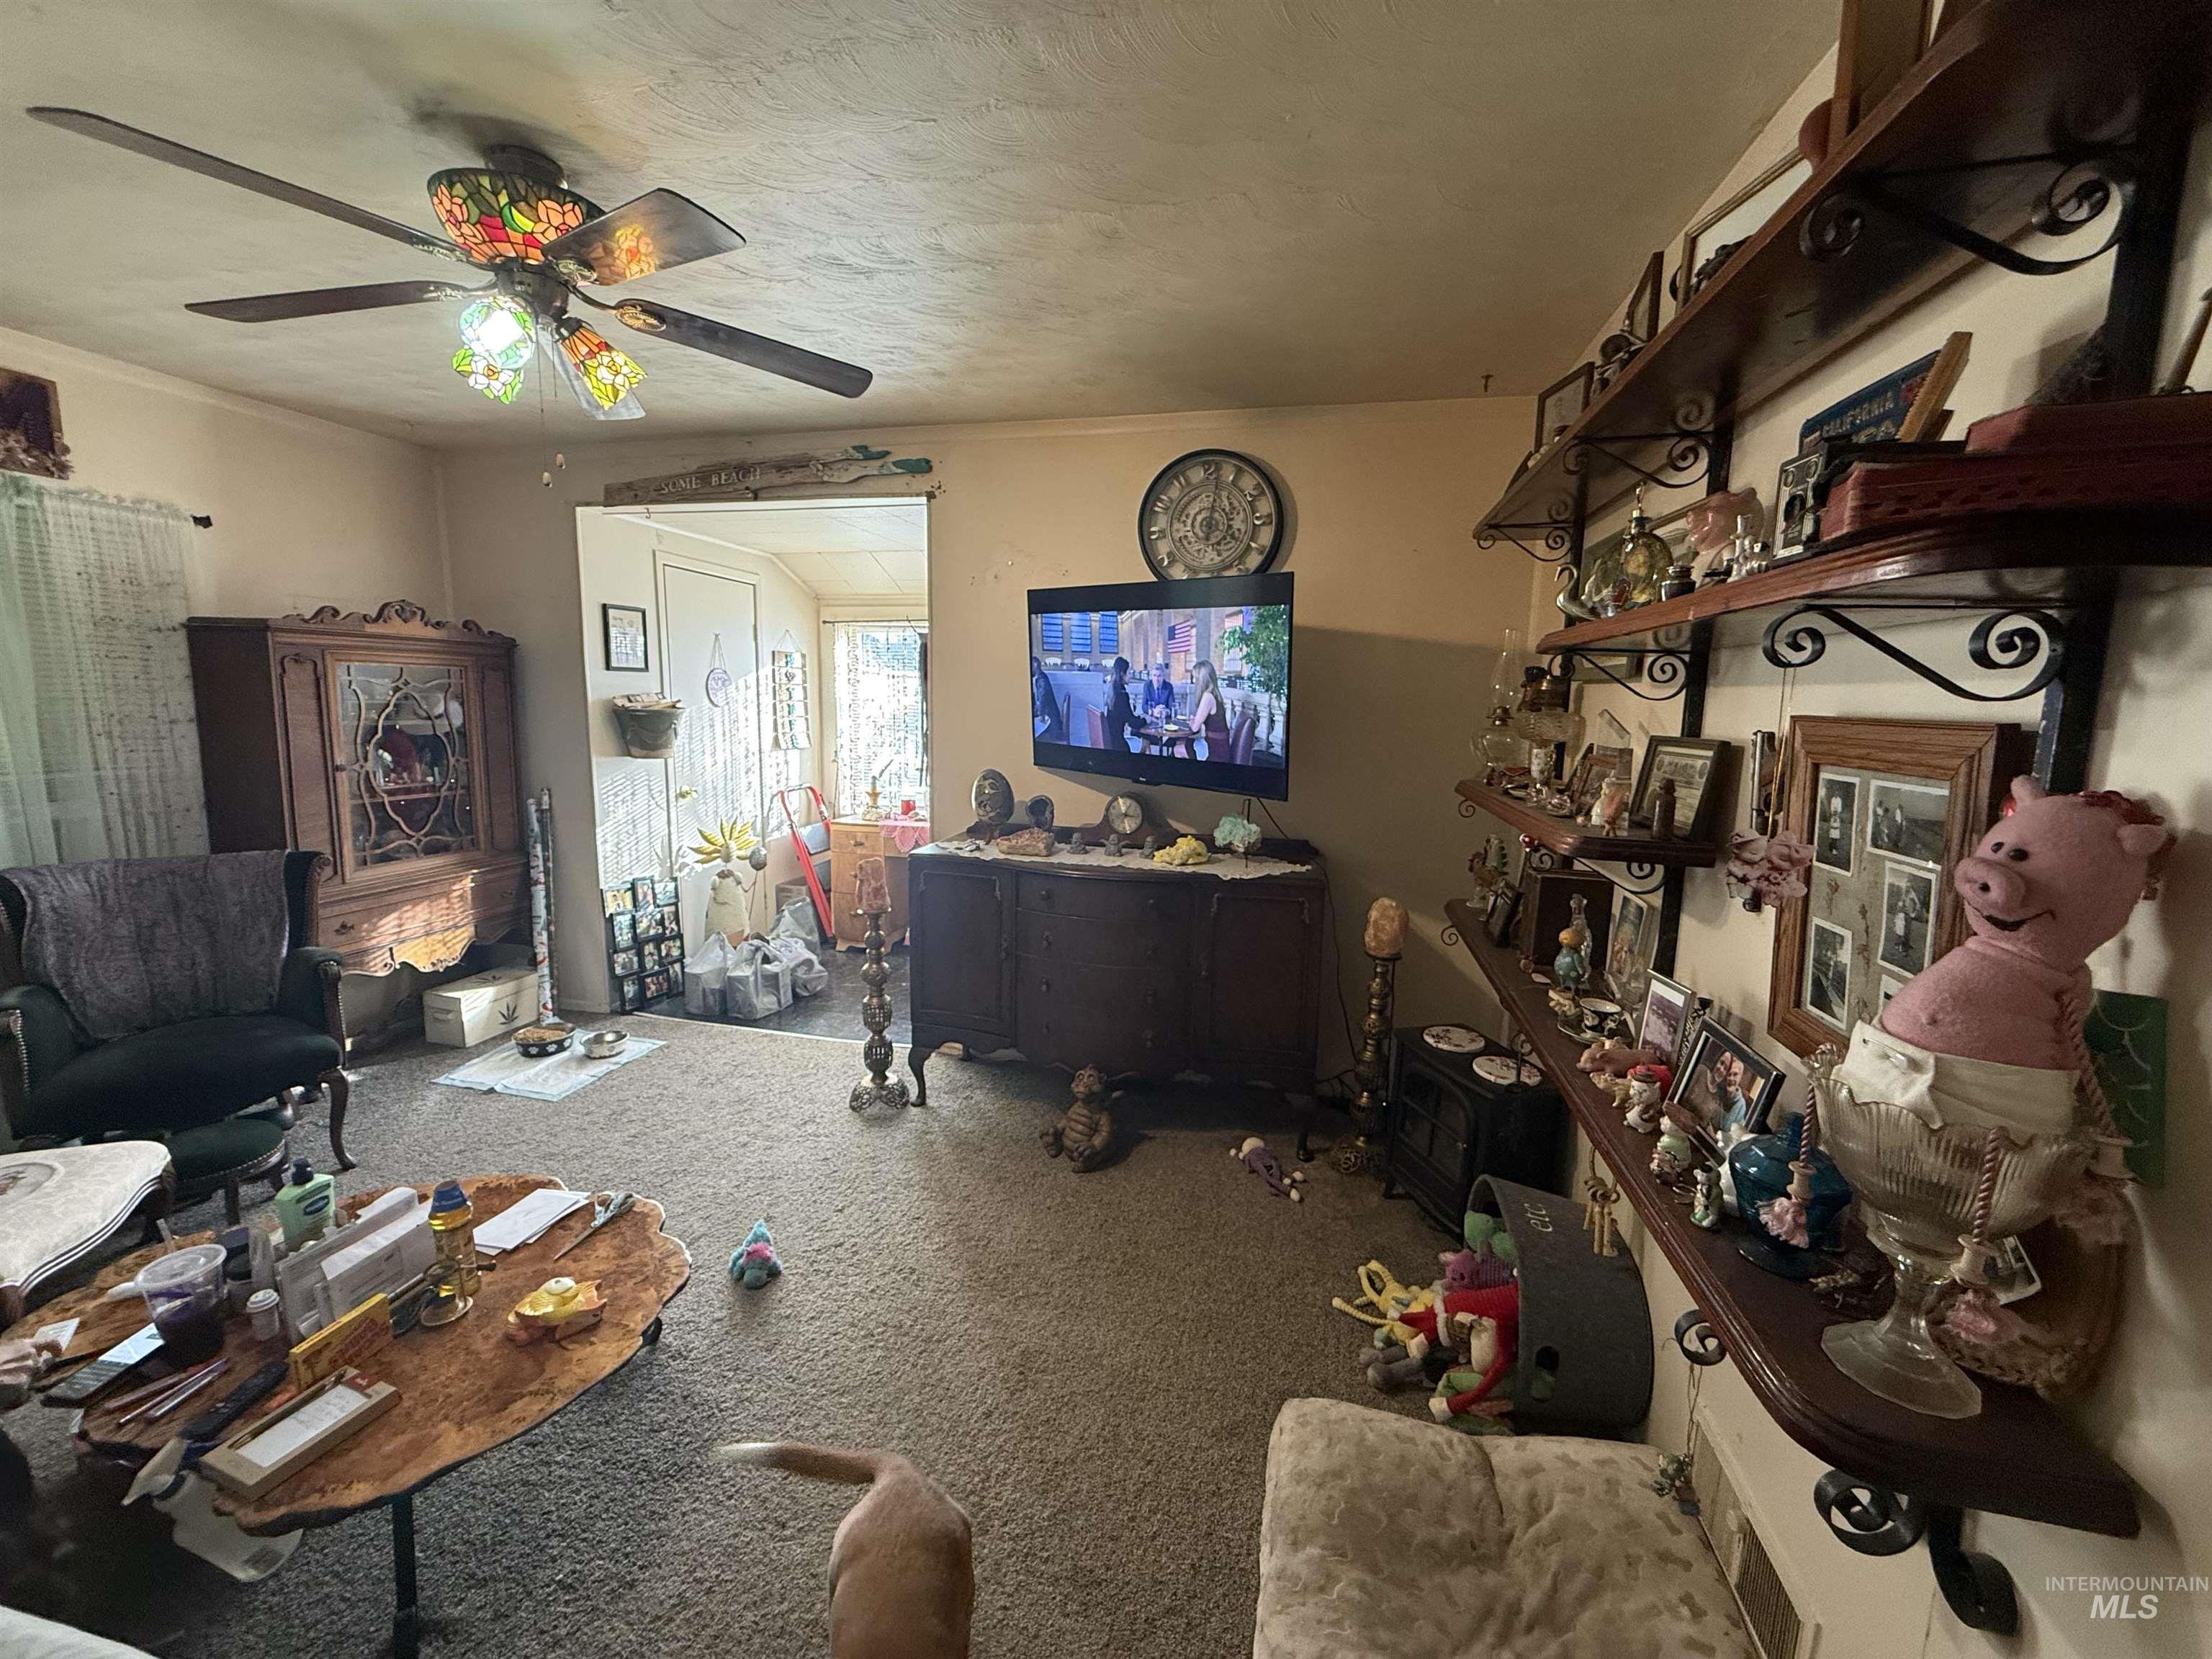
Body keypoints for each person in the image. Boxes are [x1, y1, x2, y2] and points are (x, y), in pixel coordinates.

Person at [1185, 660, 1228, 760]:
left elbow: (1195, 729)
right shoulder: (1215, 695)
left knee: (1178, 748)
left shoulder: (1208, 697)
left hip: (1216, 750)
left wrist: (1194, 722)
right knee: (1183, 743)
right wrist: (1194, 722)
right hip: (1220, 745)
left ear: (1202, 679)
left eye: (1195, 677)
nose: (1194, 681)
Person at [1105, 657, 1145, 751]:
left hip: (1111, 741)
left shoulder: (1112, 692)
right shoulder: (1122, 696)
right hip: (1119, 746)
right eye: (1129, 673)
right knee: (1145, 743)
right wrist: (1146, 720)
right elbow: (1133, 723)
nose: (1131, 676)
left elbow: (1127, 716)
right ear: (1123, 674)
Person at [1030, 655, 1066, 744]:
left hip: (1052, 726)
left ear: (1034, 666)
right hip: (1052, 722)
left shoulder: (1042, 679)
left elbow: (1044, 696)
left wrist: (1040, 712)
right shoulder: (1041, 677)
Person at [1140, 660, 1179, 733]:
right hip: (1151, 719)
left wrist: (1165, 712)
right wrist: (1154, 711)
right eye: (1154, 676)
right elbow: (1144, 706)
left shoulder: (1169, 687)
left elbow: (1171, 707)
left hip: (1165, 721)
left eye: (1159, 676)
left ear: (1163, 676)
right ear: (1151, 676)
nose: (1156, 679)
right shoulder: (1147, 685)